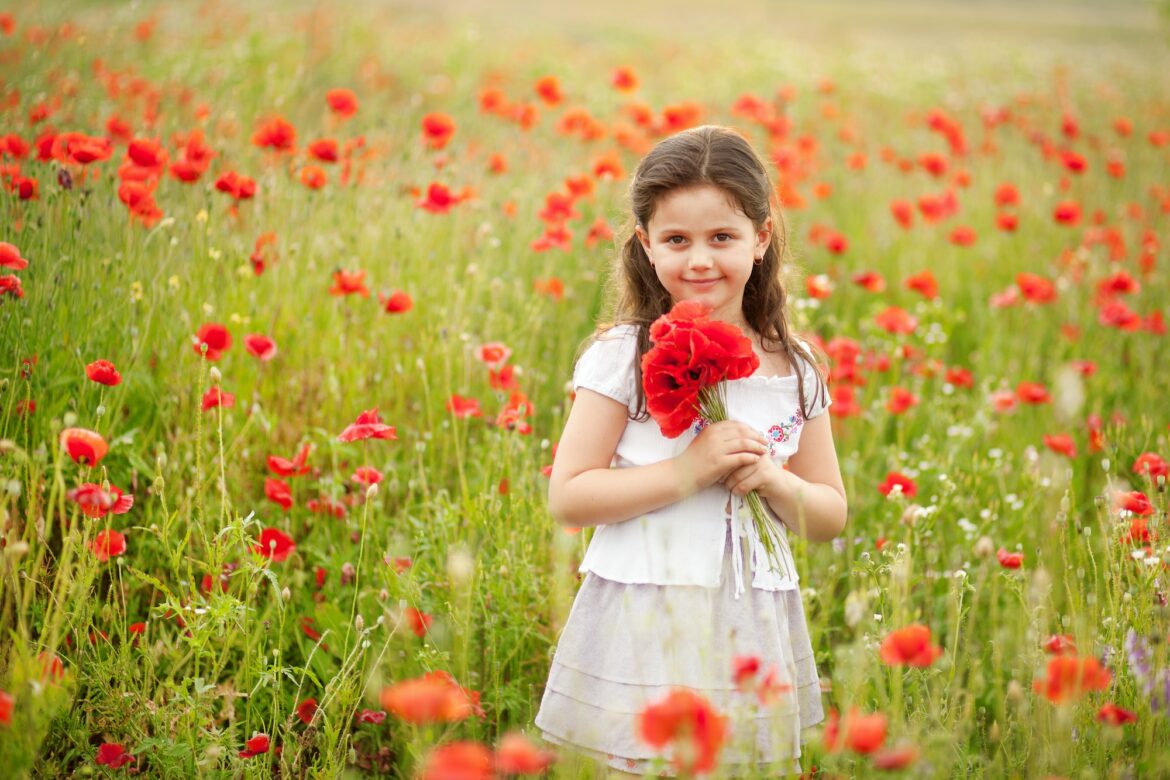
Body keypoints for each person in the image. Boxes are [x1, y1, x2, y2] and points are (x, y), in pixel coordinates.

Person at [534, 125, 848, 778]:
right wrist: (690, 469)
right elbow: (569, 496)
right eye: (676, 240)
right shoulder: (624, 354)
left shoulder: (796, 366)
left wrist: (772, 481)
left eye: (722, 238)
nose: (699, 260)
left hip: (750, 623)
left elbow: (828, 515)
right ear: (646, 245)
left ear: (761, 239)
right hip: (644, 616)